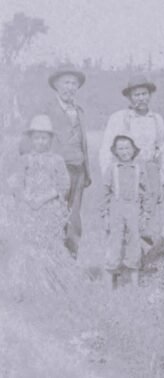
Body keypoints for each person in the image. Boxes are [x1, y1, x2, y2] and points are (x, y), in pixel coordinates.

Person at [99, 75, 164, 254]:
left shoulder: (157, 119)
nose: (141, 98)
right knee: (124, 214)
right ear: (129, 98)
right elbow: (107, 148)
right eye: (136, 95)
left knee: (148, 214)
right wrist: (109, 175)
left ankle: (146, 258)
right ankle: (121, 259)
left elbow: (162, 149)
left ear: (150, 95)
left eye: (144, 94)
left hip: (150, 170)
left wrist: (162, 178)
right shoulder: (119, 118)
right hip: (126, 171)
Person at [32, 65, 91, 259]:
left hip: (78, 172)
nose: (70, 87)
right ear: (56, 85)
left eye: (74, 83)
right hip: (55, 172)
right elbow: (35, 141)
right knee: (53, 215)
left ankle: (71, 260)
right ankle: (50, 261)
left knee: (74, 219)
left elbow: (83, 143)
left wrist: (86, 172)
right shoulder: (46, 110)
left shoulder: (80, 111)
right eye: (66, 82)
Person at [5, 115, 70, 253]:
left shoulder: (57, 160)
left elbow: (64, 184)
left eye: (44, 138)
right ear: (31, 140)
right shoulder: (24, 160)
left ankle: (50, 270)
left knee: (49, 243)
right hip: (29, 207)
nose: (40, 142)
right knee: (29, 243)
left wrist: (44, 198)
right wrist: (27, 199)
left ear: (50, 140)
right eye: (37, 138)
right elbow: (17, 183)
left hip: (50, 207)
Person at [101, 135, 152, 288]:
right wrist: (105, 214)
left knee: (134, 242)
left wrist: (146, 213)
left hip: (134, 208)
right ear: (115, 151)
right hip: (116, 208)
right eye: (121, 148)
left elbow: (146, 192)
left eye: (127, 148)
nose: (124, 151)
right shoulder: (112, 168)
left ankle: (134, 283)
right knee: (114, 242)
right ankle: (109, 283)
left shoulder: (139, 168)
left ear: (134, 149)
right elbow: (104, 192)